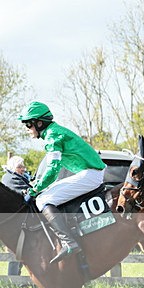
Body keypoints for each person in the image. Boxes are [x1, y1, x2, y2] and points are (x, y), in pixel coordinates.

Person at [19, 101, 106, 263]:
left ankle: (69, 242)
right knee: (45, 195)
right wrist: (38, 186)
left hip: (91, 174)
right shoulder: (53, 132)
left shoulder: (52, 136)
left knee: (43, 200)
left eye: (28, 124)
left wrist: (35, 190)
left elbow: (53, 170)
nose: (27, 128)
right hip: (89, 172)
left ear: (39, 123)